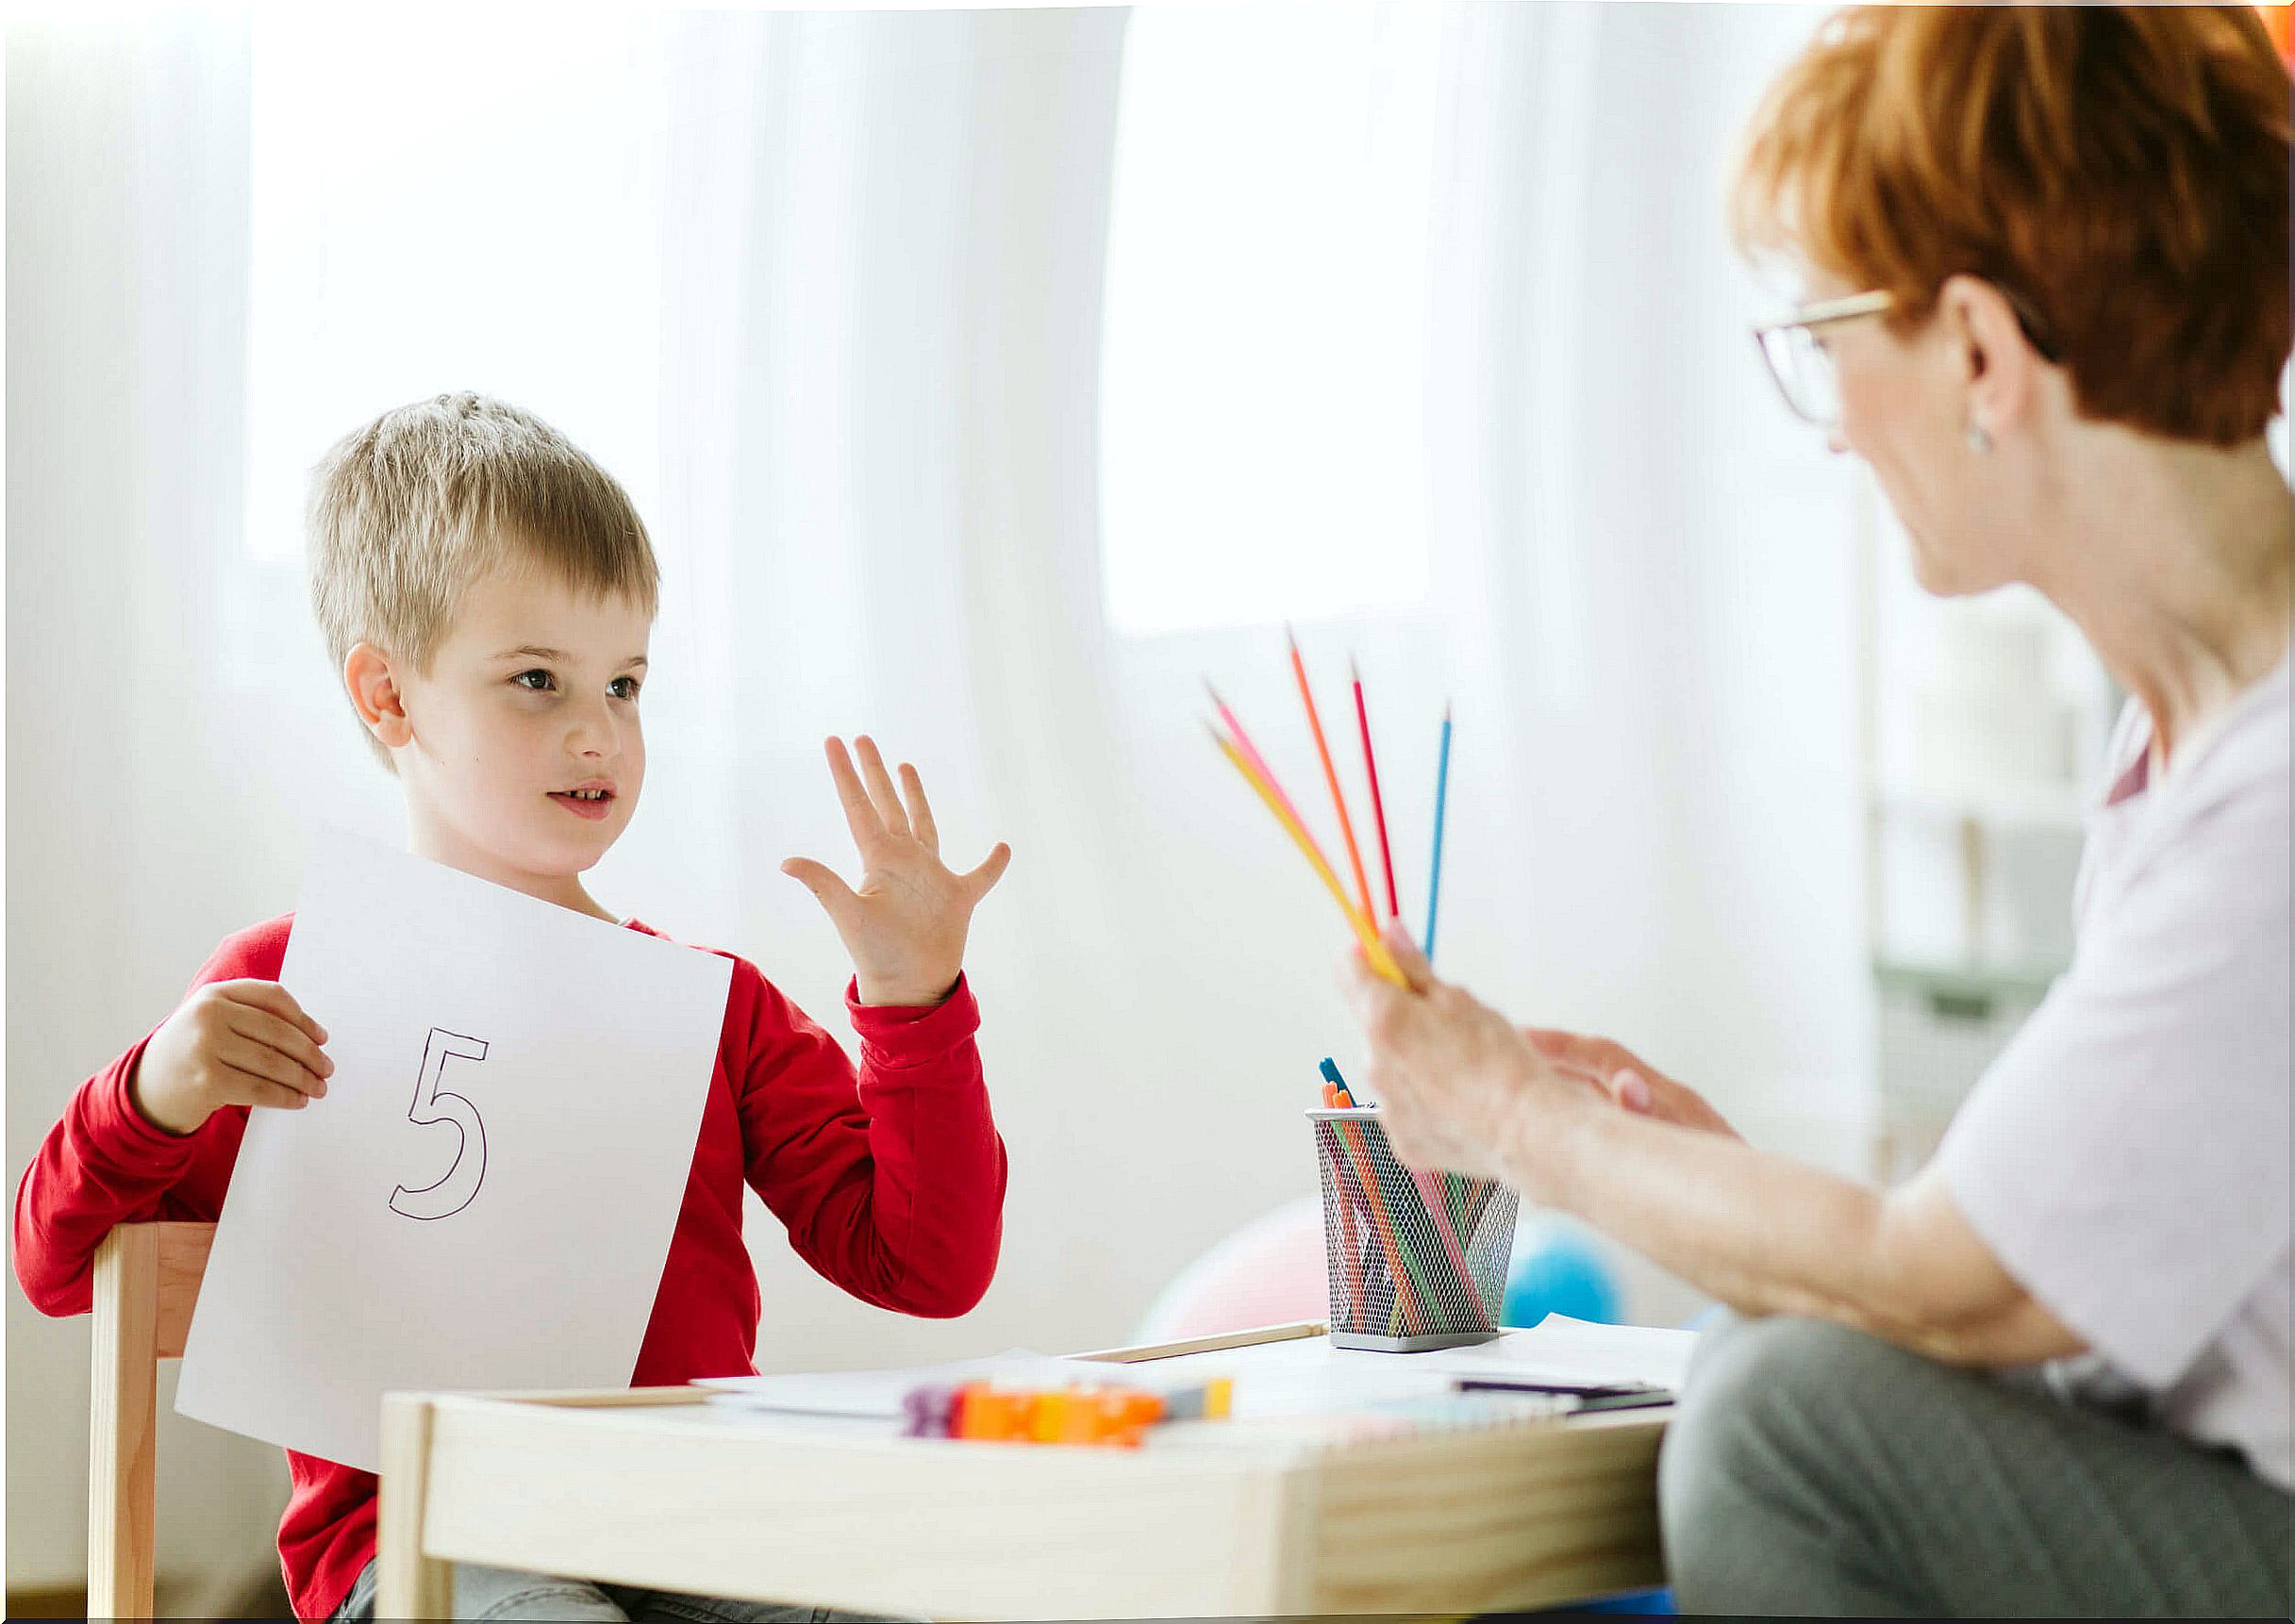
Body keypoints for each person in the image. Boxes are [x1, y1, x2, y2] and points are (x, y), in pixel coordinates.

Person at [1339, 8, 2291, 1616]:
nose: (1835, 415)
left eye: (1832, 332)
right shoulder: (2177, 733)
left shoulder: (2264, 799)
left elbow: (1950, 1277)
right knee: (1791, 1355)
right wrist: (1727, 1196)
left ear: (1981, 355)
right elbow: (2058, 1261)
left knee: (1780, 1431)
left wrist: (1514, 1119)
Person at [14, 392, 1016, 1623]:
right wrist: (152, 1089)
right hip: (427, 1541)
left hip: (690, 1525)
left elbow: (925, 1262)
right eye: (538, 678)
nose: (598, 730)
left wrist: (912, 1002)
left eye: (627, 682)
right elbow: (57, 1266)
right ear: (386, 696)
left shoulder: (715, 1012)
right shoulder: (288, 978)